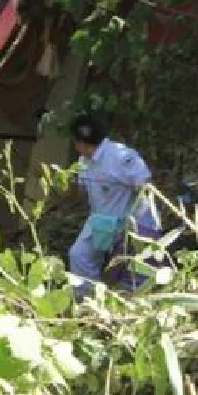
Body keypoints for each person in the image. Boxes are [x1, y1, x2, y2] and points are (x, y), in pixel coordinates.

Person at [66, 112, 160, 297]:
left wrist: (138, 225)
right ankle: (88, 300)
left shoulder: (120, 156)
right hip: (100, 222)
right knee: (78, 255)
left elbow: (146, 187)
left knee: (134, 275)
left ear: (80, 143)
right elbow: (82, 192)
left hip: (129, 223)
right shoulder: (83, 162)